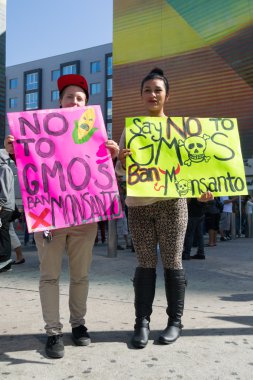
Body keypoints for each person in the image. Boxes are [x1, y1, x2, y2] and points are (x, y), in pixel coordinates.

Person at [5, 74, 119, 358]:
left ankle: (78, 325)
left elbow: (101, 174)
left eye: (80, 98)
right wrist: (14, 151)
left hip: (84, 217)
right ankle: (53, 332)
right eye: (70, 96)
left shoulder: (95, 135)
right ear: (60, 101)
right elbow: (31, 167)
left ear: (85, 104)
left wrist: (112, 156)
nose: (74, 102)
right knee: (49, 276)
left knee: (81, 276)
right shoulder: (39, 131)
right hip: (49, 217)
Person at [116, 68, 213, 349]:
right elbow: (122, 171)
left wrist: (203, 192)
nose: (152, 95)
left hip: (173, 205)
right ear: (141, 95)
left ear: (167, 95)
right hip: (139, 206)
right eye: (147, 90)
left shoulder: (181, 129)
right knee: (144, 263)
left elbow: (194, 169)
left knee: (173, 262)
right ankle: (142, 323)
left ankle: (175, 322)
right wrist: (122, 161)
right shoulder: (131, 129)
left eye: (158, 90)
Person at [0, 150, 16, 273]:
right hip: (6, 206)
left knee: (3, 232)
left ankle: (4, 259)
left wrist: (1, 204)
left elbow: (4, 189)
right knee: (4, 231)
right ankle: (5, 262)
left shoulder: (4, 169)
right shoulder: (5, 168)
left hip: (4, 207)